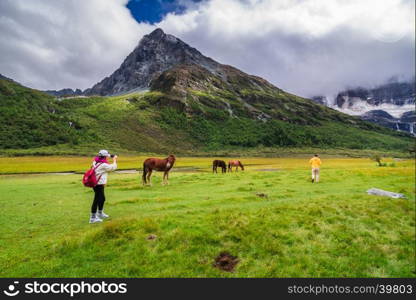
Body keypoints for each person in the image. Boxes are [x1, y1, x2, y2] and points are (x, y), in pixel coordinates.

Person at [89, 150, 117, 224]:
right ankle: (92, 218)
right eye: (106, 156)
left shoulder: (95, 161)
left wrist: (109, 156)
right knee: (97, 199)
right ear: (104, 157)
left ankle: (100, 213)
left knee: (102, 198)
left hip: (96, 183)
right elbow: (113, 168)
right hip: (98, 184)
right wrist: (114, 159)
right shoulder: (103, 165)